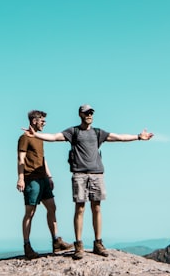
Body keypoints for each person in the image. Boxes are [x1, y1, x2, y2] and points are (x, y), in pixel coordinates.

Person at [24, 104, 153, 260]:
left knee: (96, 207)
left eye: (91, 112)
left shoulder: (98, 133)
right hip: (79, 175)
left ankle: (98, 243)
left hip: (97, 174)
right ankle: (79, 245)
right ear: (80, 114)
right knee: (80, 208)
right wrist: (36, 135)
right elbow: (54, 137)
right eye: (86, 113)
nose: (89, 115)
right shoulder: (73, 132)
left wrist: (139, 137)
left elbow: (119, 137)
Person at [17, 109, 72, 258]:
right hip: (31, 178)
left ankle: (56, 241)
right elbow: (21, 159)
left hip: (43, 178)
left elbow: (42, 158)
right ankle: (27, 245)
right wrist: (21, 178)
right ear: (34, 121)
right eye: (42, 120)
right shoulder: (24, 138)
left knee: (52, 207)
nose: (44, 123)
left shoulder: (39, 137)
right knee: (30, 212)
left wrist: (49, 176)